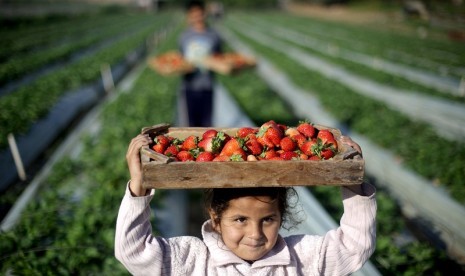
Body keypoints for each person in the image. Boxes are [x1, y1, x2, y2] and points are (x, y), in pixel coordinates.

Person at [115, 134, 377, 275]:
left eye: (268, 220)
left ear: (280, 216)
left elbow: (354, 246)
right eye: (240, 220)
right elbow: (133, 252)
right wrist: (138, 187)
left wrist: (351, 179)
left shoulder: (302, 259)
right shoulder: (192, 260)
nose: (255, 234)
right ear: (215, 218)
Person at [178, 0, 223, 127]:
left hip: (207, 84)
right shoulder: (184, 36)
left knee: (206, 124)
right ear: (189, 15)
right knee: (191, 124)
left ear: (205, 13)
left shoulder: (214, 35)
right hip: (189, 85)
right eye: (193, 14)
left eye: (199, 13)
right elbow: (181, 59)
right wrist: (184, 66)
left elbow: (219, 56)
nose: (197, 17)